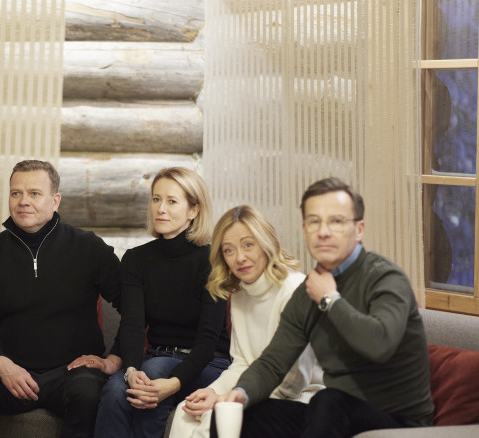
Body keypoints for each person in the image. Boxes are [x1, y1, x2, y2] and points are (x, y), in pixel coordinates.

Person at [215, 177, 433, 437]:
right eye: (314, 222)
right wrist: (241, 393)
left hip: (399, 421)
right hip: (335, 413)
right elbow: (273, 362)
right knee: (232, 413)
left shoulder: (386, 278)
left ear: (359, 229)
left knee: (329, 401)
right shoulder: (308, 291)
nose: (323, 232)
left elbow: (379, 344)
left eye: (336, 221)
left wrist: (329, 299)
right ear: (305, 230)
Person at [0, 159, 122, 438]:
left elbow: (134, 308)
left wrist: (113, 359)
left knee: (88, 389)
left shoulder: (89, 247)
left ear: (55, 201)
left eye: (34, 193)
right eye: (16, 193)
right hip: (11, 375)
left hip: (72, 375)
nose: (23, 202)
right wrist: (3, 366)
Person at [93, 167, 231, 438]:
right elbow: (133, 324)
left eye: (172, 201)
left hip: (208, 363)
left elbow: (208, 340)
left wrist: (175, 383)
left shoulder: (213, 261)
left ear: (193, 210)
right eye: (156, 199)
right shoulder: (135, 260)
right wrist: (131, 370)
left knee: (155, 372)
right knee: (115, 390)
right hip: (155, 358)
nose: (161, 208)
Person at [167, 205, 323, 438]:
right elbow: (241, 362)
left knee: (217, 417)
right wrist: (213, 392)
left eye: (248, 245)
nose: (239, 257)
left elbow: (293, 383)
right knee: (184, 412)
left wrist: (227, 399)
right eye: (229, 250)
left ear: (265, 243)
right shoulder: (240, 294)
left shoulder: (294, 290)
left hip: (302, 398)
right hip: (255, 391)